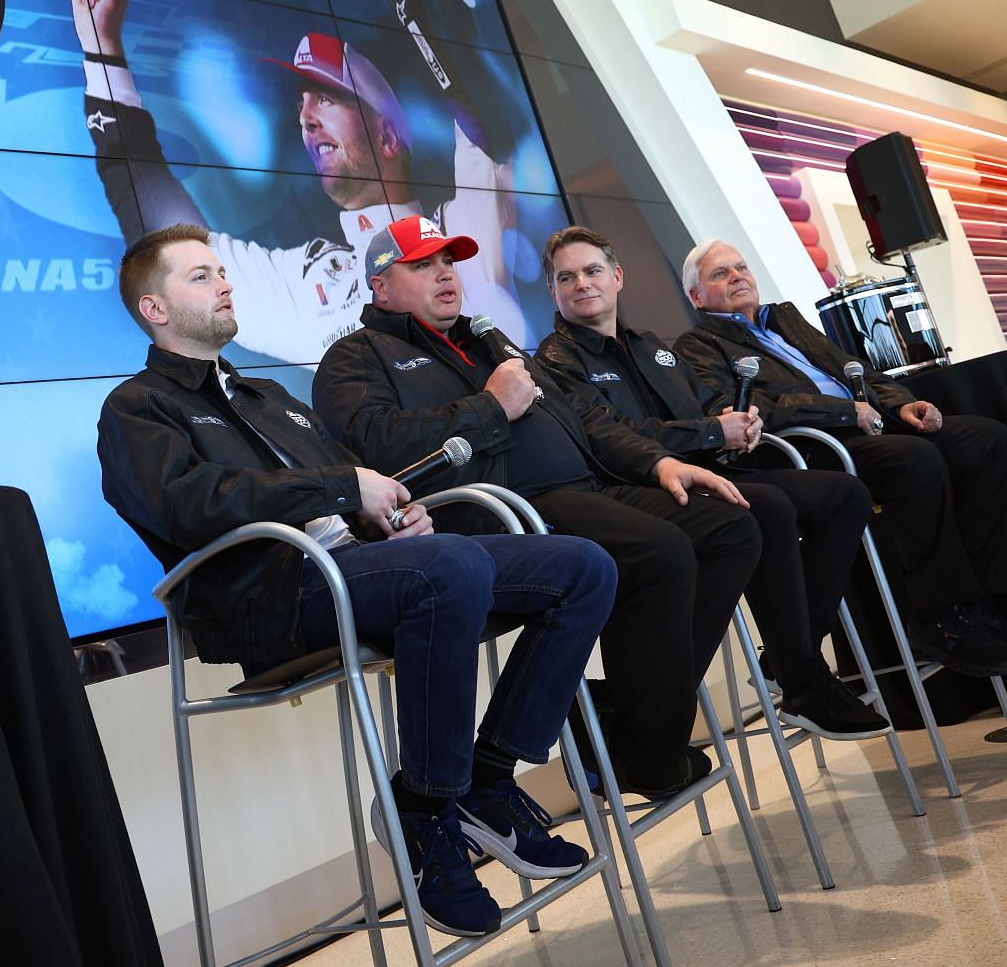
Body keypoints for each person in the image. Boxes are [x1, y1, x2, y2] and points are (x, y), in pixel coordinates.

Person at [97, 224, 616, 939]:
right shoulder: (135, 407)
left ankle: (489, 778)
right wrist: (345, 489)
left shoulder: (265, 394)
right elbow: (185, 504)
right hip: (273, 594)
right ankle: (427, 805)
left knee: (582, 566)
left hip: (357, 570)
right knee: (456, 564)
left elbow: (360, 491)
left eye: (222, 270)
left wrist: (391, 519)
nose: (224, 282)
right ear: (154, 310)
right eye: (199, 276)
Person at [312, 215, 763, 798]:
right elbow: (378, 447)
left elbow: (588, 418)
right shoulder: (354, 358)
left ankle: (630, 713)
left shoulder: (483, 338)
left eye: (449, 261)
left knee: (731, 527)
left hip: (587, 486)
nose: (445, 275)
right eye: (422, 265)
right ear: (379, 286)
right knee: (660, 552)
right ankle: (647, 753)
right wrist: (489, 407)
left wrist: (659, 462)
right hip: (507, 511)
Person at [67, 0, 526, 364]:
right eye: (301, 103)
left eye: (326, 98)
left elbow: (468, 89)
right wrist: (103, 52)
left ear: (389, 136)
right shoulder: (311, 285)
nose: (305, 117)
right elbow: (162, 238)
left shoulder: (463, 229)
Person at [536, 226, 889, 740]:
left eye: (592, 271)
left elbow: (704, 406)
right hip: (642, 488)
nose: (581, 284)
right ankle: (804, 678)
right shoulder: (556, 360)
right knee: (764, 507)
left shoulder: (650, 346)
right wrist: (707, 430)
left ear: (617, 276)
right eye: (566, 278)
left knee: (843, 494)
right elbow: (608, 438)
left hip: (710, 468)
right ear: (553, 292)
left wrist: (735, 424)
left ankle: (794, 653)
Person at [675, 239, 1007, 676]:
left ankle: (979, 605)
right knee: (914, 459)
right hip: (814, 446)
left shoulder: (784, 320)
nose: (738, 276)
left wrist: (901, 404)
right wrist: (844, 411)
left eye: (741, 267)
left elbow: (858, 371)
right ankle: (940, 615)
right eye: (721, 274)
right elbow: (753, 411)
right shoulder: (697, 346)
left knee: (987, 440)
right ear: (697, 297)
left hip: (867, 427)